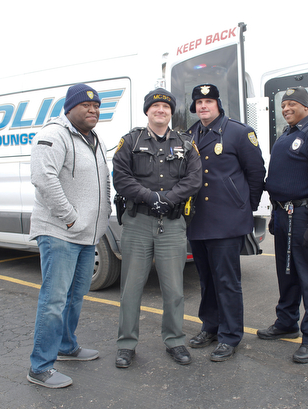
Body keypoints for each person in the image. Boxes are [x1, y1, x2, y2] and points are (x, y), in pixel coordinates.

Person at [27, 83, 111, 388]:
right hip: (61, 233)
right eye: (86, 106)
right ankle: (40, 366)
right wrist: (71, 219)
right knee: (53, 300)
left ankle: (66, 346)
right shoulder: (55, 134)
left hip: (88, 235)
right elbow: (43, 178)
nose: (92, 110)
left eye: (96, 106)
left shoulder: (93, 139)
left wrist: (104, 214)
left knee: (75, 296)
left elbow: (104, 179)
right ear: (69, 108)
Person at [112, 88, 202, 368]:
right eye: (155, 107)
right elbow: (121, 177)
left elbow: (194, 179)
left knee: (174, 289)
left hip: (172, 225)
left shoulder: (187, 144)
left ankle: (174, 340)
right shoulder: (130, 141)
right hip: (138, 222)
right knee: (131, 288)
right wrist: (151, 198)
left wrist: (169, 199)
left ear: (171, 112)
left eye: (165, 107)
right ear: (147, 111)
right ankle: (126, 344)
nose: (160, 111)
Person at [186, 84, 265, 362]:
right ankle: (210, 326)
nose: (203, 106)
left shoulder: (239, 132)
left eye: (208, 101)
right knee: (206, 279)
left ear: (218, 104)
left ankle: (230, 335)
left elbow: (256, 173)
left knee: (227, 280)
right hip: (197, 221)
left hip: (227, 220)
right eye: (198, 102)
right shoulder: (190, 134)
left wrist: (245, 208)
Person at [258, 86, 308, 363]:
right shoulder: (287, 135)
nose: (286, 109)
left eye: (292, 104)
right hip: (283, 215)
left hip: (304, 216)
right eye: (283, 105)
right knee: (287, 273)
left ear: (305, 106)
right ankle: (286, 323)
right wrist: (273, 215)